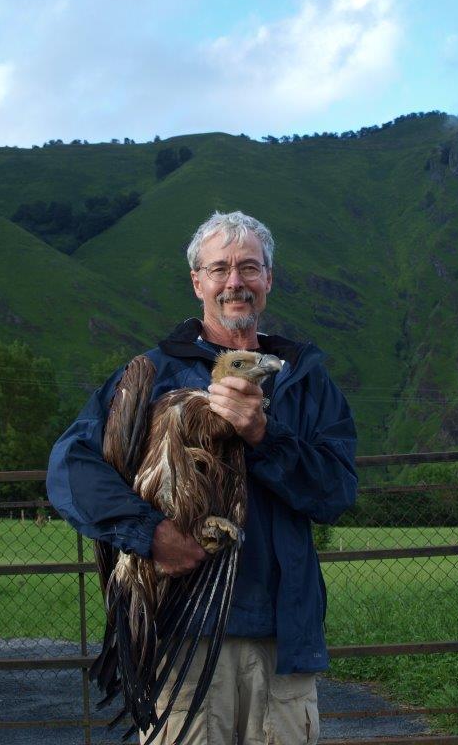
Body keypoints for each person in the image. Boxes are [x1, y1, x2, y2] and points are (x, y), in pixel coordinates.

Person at [47, 210, 358, 744]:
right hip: (181, 637)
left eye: (249, 269)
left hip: (282, 640)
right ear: (198, 283)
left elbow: (335, 492)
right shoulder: (151, 375)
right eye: (219, 269)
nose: (234, 282)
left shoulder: (305, 380)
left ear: (268, 280)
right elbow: (69, 468)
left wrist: (264, 436)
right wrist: (148, 535)